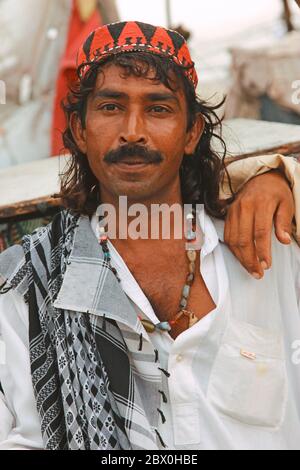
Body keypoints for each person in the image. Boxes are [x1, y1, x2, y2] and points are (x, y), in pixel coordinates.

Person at [0, 21, 299, 451]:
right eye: (110, 107)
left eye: (158, 108)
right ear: (81, 132)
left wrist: (283, 174)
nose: (133, 131)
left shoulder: (270, 243)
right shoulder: (28, 290)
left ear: (192, 133)